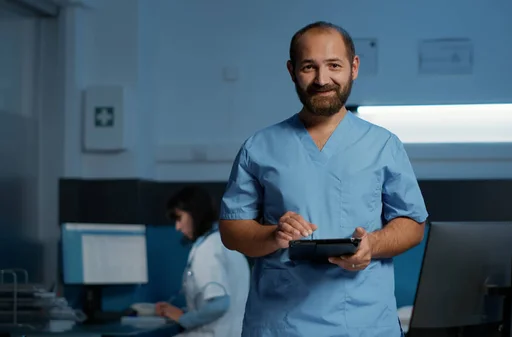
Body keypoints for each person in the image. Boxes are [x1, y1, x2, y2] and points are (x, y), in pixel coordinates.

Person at [219, 21, 429, 337]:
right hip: (281, 325)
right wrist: (273, 235)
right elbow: (232, 229)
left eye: (334, 65)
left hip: (363, 324)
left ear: (353, 67)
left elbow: (413, 225)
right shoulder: (259, 147)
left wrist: (372, 244)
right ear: (291, 71)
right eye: (309, 67)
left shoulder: (384, 145)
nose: (322, 79)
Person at [156, 186, 250, 337]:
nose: (177, 227)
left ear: (195, 214)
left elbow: (220, 304)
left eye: (179, 218)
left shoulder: (207, 250)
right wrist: (185, 312)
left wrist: (183, 318)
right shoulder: (225, 243)